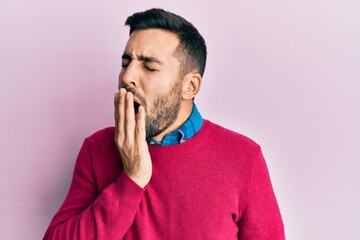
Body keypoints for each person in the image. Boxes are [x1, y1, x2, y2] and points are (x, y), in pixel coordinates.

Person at [43, 8, 285, 240]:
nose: (127, 77)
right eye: (126, 63)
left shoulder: (243, 157)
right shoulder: (96, 149)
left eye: (149, 67)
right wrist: (132, 180)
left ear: (189, 86)